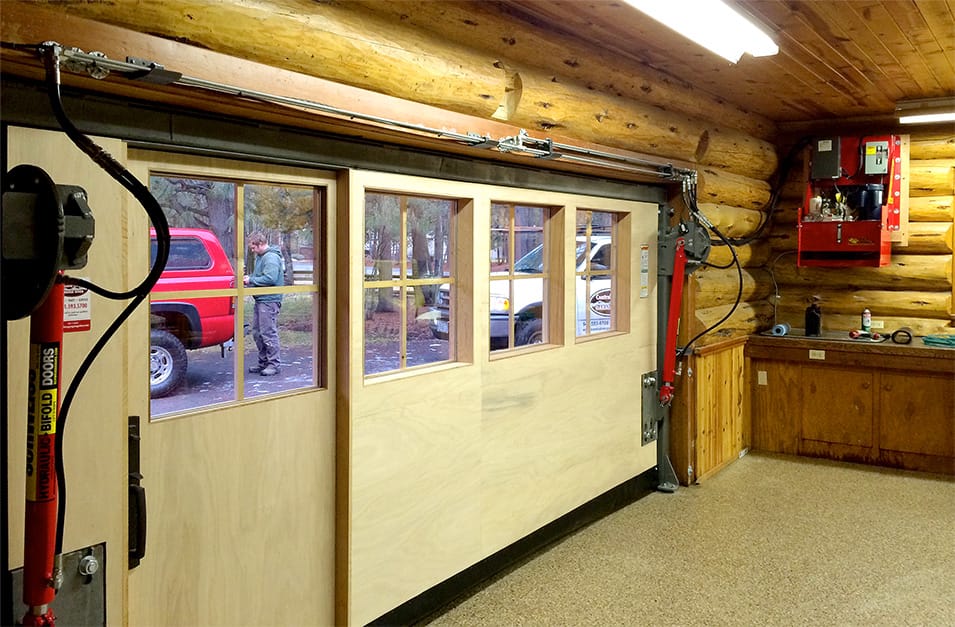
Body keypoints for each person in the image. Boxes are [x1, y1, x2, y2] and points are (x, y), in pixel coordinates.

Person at [244, 232, 284, 376]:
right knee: (257, 333)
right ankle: (263, 362)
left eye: (253, 247)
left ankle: (274, 364)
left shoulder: (271, 258)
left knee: (268, 332)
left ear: (260, 244)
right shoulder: (261, 257)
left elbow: (270, 278)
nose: (252, 251)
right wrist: (252, 278)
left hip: (269, 301)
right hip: (261, 300)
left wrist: (251, 280)